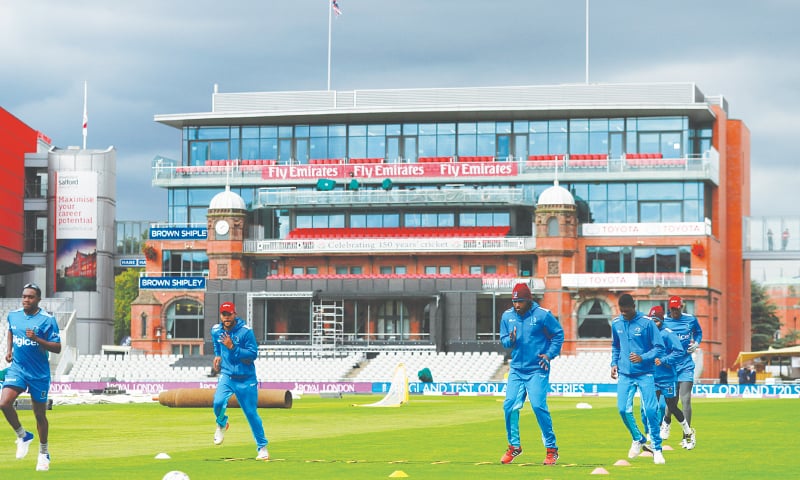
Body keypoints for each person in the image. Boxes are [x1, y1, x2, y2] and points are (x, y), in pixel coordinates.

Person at [499, 283, 564, 466]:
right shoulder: (507, 316)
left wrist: (549, 355)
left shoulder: (543, 315)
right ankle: (514, 446)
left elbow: (558, 335)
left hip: (537, 369)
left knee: (538, 406)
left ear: (528, 300)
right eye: (514, 302)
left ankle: (552, 449)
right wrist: (509, 340)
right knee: (509, 406)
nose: (516, 305)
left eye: (520, 301)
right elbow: (504, 341)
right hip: (517, 370)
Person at [0, 283, 61, 472]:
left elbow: (57, 348)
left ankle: (43, 453)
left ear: (38, 300)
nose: (26, 299)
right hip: (18, 369)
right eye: (24, 296)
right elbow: (11, 330)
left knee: (39, 415)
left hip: (39, 374)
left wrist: (37, 339)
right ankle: (23, 435)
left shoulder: (47, 320)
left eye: (31, 297)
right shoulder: (14, 315)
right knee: (3, 403)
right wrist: (9, 350)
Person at [611, 294, 666, 464]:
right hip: (625, 374)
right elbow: (616, 345)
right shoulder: (616, 323)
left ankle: (657, 448)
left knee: (650, 410)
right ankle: (638, 438)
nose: (624, 314)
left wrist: (643, 357)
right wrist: (613, 363)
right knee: (622, 410)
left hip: (645, 373)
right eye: (622, 311)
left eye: (627, 311)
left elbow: (659, 347)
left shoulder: (647, 323)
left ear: (634, 306)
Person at [211, 301, 269, 460]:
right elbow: (217, 344)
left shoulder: (245, 332)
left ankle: (262, 448)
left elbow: (252, 355)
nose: (226, 317)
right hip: (227, 376)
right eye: (224, 314)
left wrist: (233, 348)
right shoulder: (216, 330)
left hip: (246, 378)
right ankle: (222, 423)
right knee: (217, 403)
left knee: (251, 413)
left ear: (234, 314)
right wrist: (217, 355)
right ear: (221, 315)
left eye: (229, 314)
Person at [641, 306, 695, 449]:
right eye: (651, 321)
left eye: (656, 321)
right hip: (654, 377)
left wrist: (664, 360)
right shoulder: (648, 334)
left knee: (672, 407)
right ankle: (654, 440)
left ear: (662, 320)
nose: (654, 324)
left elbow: (679, 352)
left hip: (668, 377)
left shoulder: (668, 334)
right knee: (651, 407)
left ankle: (688, 432)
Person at [660, 295, 702, 449]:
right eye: (672, 309)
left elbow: (698, 332)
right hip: (669, 366)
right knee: (671, 401)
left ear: (682, 307)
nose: (674, 312)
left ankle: (687, 435)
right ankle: (666, 422)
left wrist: (696, 343)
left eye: (677, 309)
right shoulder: (663, 320)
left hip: (685, 365)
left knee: (685, 400)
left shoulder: (690, 319)